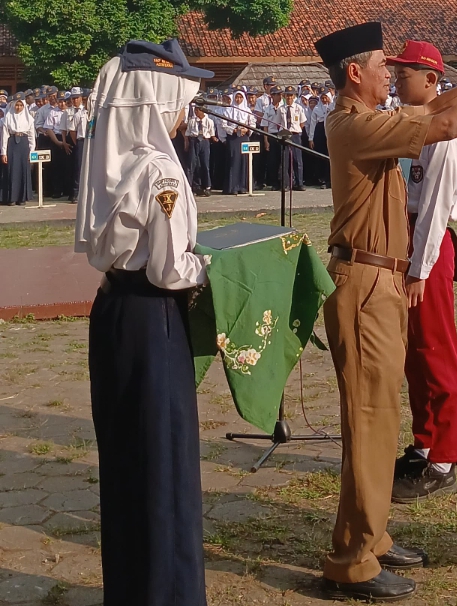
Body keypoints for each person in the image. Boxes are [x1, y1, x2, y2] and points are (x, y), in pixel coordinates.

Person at [314, 21, 457, 602]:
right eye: (381, 67)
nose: (390, 76)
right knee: (369, 422)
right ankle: (352, 560)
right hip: (365, 282)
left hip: (378, 280)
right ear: (354, 73)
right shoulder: (354, 123)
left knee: (381, 419)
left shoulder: (367, 119)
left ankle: (370, 535)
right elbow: (443, 125)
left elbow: (436, 106)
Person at [74, 38, 213, 606]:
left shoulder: (108, 162)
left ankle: (132, 588)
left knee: (127, 459)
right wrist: (216, 266)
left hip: (112, 312)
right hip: (154, 320)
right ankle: (169, 591)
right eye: (180, 101)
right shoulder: (160, 171)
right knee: (164, 461)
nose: (184, 114)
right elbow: (172, 269)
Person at [386, 40, 457, 504]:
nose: (397, 81)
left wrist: (420, 269)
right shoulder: (409, 126)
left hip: (428, 248)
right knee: (414, 353)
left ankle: (444, 458)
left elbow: (435, 209)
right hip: (407, 239)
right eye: (396, 74)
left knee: (436, 351)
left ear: (431, 80)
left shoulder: (443, 137)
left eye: (405, 75)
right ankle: (424, 442)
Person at [0, 92, 36, 206]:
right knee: (11, 170)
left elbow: (31, 136)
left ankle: (22, 197)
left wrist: (32, 151)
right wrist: (3, 152)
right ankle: (11, 197)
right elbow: (4, 136)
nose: (18, 107)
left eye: (21, 105)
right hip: (12, 143)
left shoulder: (29, 119)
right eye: (17, 105)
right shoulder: (8, 117)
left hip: (24, 144)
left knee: (23, 169)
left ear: (24, 106)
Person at [222, 88, 252, 195]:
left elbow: (252, 123)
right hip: (233, 138)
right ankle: (233, 187)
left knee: (244, 160)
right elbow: (224, 124)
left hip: (244, 137)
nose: (238, 99)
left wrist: (247, 129)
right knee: (234, 160)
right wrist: (234, 130)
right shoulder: (228, 110)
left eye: (240, 97)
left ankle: (243, 186)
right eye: (237, 97)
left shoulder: (247, 110)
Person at [185, 105, 214, 196]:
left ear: (202, 111)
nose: (196, 112)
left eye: (198, 110)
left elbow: (211, 133)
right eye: (195, 110)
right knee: (192, 164)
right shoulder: (192, 121)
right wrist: (187, 143)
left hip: (204, 142)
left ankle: (207, 186)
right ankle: (190, 186)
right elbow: (188, 133)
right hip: (194, 141)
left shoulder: (209, 121)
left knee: (205, 164)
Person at [69, 87, 88, 203]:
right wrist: (77, 142)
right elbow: (72, 130)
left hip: (92, 141)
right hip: (81, 141)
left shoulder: (95, 113)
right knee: (79, 167)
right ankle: (76, 194)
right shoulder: (79, 114)